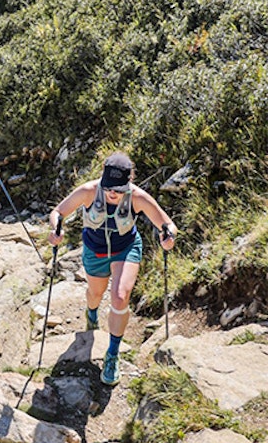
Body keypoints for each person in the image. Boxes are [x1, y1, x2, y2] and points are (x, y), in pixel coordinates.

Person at [48, 151, 177, 385]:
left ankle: (112, 354)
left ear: (129, 182)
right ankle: (92, 314)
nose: (113, 193)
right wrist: (56, 229)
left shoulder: (138, 197)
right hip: (94, 250)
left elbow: (167, 224)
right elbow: (58, 212)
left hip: (125, 249)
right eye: (109, 188)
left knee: (119, 297)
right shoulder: (88, 191)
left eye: (118, 189)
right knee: (95, 294)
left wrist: (167, 236)